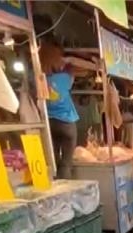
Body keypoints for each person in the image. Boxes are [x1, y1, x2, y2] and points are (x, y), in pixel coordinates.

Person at [40, 41, 80, 179]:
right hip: (67, 121)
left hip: (49, 122)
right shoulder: (64, 77)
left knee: (54, 158)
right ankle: (66, 188)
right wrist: (67, 62)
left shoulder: (40, 79)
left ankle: (55, 184)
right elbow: (71, 69)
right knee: (66, 162)